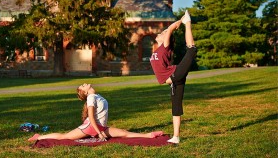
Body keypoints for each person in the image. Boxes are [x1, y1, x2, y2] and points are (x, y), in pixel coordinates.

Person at [28, 83, 164, 142]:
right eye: (82, 86)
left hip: (100, 127)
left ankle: (149, 135)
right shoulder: (91, 98)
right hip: (91, 127)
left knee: (123, 133)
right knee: (65, 137)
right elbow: (91, 117)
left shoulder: (96, 96)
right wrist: (99, 133)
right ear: (85, 92)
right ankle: (39, 137)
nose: (84, 84)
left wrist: (100, 131)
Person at [150, 10, 197, 144]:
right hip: (174, 80)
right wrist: (177, 23)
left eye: (163, 33)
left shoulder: (165, 46)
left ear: (167, 38)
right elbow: (169, 29)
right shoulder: (159, 49)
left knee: (192, 50)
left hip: (175, 74)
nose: (161, 33)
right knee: (176, 108)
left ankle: (188, 22)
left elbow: (170, 28)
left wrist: (182, 21)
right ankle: (176, 136)